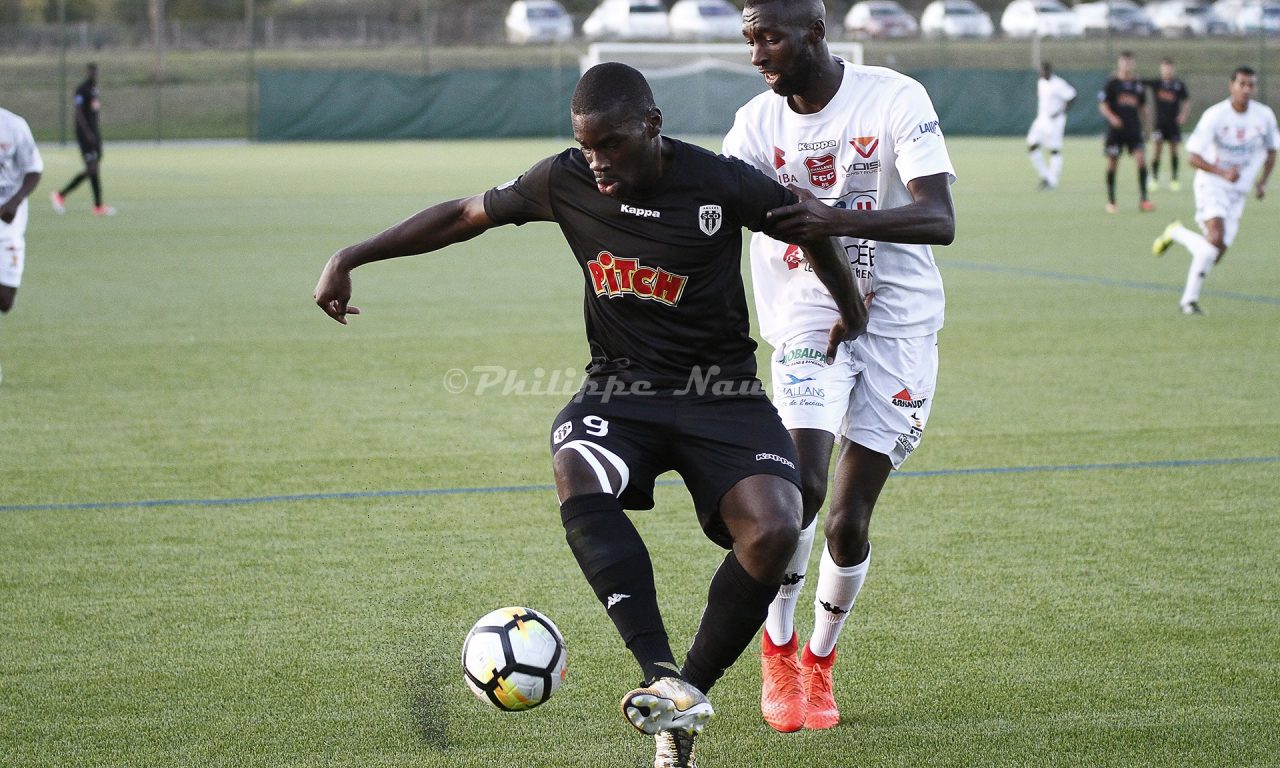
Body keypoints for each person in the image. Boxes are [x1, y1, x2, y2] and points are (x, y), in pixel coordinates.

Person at [313, 63, 865, 767]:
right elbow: (464, 215)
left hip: (719, 391)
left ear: (652, 126)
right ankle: (659, 672)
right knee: (576, 466)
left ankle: (683, 698)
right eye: (587, 145)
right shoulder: (563, 178)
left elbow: (806, 227)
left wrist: (850, 311)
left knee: (777, 527)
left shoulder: (719, 183)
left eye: (612, 145)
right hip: (619, 390)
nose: (598, 162)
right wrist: (352, 254)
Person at [724, 0, 956, 733]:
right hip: (806, 318)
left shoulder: (893, 97)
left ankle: (820, 660)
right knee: (803, 490)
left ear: (816, 34)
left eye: (771, 37)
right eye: (749, 39)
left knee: (847, 522)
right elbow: (715, 214)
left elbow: (938, 219)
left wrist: (832, 218)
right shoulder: (755, 125)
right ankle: (779, 643)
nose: (759, 53)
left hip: (899, 324)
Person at [1152, 66, 1276, 315]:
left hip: (1238, 193)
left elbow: (1272, 150)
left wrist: (1262, 182)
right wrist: (1222, 173)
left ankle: (1176, 232)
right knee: (1215, 238)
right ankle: (1188, 302)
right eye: (1241, 84)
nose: (1246, 89)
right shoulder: (1215, 115)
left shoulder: (1264, 116)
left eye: (1251, 85)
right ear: (1231, 86)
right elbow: (1192, 157)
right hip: (1212, 184)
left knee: (1213, 254)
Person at [50, 63, 114, 217]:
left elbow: (94, 113)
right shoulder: (82, 89)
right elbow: (78, 113)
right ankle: (60, 194)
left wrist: (96, 132)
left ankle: (98, 206)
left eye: (97, 73)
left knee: (95, 169)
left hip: (94, 134)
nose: (95, 76)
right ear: (88, 73)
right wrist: (88, 134)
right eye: (92, 73)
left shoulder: (94, 90)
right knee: (92, 169)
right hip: (85, 136)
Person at [1, 106, 44, 317]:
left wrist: (15, 202)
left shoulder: (13, 125)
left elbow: (34, 169)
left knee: (5, 300)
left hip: (8, 223)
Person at [1098, 51, 1155, 213]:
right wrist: (1112, 117)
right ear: (1119, 63)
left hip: (1133, 129)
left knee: (1141, 160)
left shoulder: (1138, 84)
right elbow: (1102, 104)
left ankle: (1144, 200)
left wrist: (1147, 127)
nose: (1127, 65)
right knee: (1113, 163)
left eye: (1129, 62)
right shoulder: (1112, 82)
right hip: (1116, 131)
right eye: (1124, 62)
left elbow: (1143, 108)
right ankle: (1111, 201)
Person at [1027, 61, 1077, 190]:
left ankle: (1053, 181)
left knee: (1054, 150)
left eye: (1045, 71)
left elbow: (1072, 96)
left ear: (1050, 71)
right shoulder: (1041, 83)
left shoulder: (1058, 84)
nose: (1043, 74)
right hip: (1041, 120)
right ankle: (1046, 176)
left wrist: (1061, 112)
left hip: (1055, 122)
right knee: (1032, 146)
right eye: (1041, 71)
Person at [1146, 57, 1191, 192]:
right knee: (1157, 151)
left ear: (1173, 69)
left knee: (1174, 151)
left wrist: (1183, 115)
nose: (1167, 70)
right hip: (1159, 123)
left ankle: (1174, 179)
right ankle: (1153, 178)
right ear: (1161, 69)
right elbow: (1139, 81)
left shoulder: (1178, 85)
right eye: (1165, 67)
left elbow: (1186, 101)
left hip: (1173, 124)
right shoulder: (1157, 83)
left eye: (1169, 67)